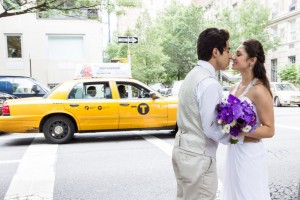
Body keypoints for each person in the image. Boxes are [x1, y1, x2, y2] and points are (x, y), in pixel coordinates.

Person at [172, 28, 240, 200]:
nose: (231, 56)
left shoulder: (192, 75)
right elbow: (211, 128)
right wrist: (234, 139)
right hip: (198, 157)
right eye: (228, 50)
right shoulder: (209, 83)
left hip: (182, 151)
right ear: (215, 52)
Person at [222, 39, 275, 200]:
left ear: (252, 61)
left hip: (250, 154)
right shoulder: (233, 88)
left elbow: (270, 129)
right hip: (233, 151)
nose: (233, 57)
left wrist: (243, 129)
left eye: (238, 54)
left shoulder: (259, 90)